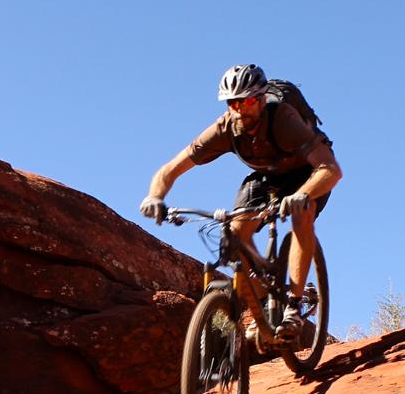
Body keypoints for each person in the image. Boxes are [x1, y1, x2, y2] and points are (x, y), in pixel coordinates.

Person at [140, 63, 342, 342]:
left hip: (307, 172)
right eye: (233, 102)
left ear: (260, 99)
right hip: (265, 175)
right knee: (234, 234)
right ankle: (262, 295)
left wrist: (302, 195)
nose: (240, 108)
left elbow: (331, 169)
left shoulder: (283, 119)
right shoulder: (225, 128)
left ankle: (293, 307)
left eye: (246, 101)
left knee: (301, 215)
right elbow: (170, 169)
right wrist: (155, 197)